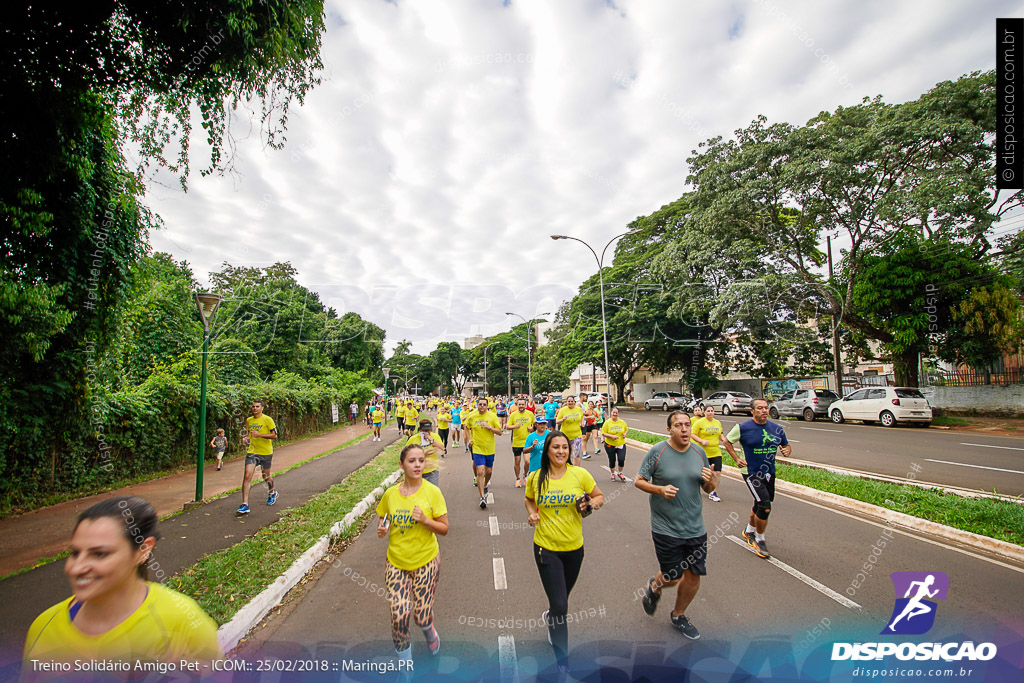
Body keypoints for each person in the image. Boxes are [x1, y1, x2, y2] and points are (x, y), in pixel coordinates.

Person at [23, 496, 221, 677]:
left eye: (99, 554)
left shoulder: (183, 622)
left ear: (143, 550)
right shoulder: (43, 627)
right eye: (75, 553)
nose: (76, 568)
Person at [524, 431, 604, 673]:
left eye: (565, 447)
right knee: (561, 605)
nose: (561, 451)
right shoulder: (536, 477)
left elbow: (599, 496)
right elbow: (529, 499)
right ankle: (562, 663)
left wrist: (592, 504)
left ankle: (552, 617)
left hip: (574, 549)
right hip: (545, 548)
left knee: (561, 601)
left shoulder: (580, 474)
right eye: (556, 447)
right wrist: (532, 513)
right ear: (547, 451)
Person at [634, 411, 717, 640]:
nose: (684, 429)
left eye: (687, 425)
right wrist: (660, 489)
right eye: (678, 425)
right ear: (669, 430)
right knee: (673, 575)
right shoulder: (657, 452)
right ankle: (655, 587)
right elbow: (639, 481)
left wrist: (712, 481)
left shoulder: (699, 452)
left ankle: (678, 615)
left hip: (695, 527)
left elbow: (708, 489)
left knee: (693, 576)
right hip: (665, 526)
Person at [376, 444, 448, 665]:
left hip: (426, 561)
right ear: (401, 465)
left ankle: (429, 632)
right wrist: (382, 528)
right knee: (399, 617)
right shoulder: (390, 495)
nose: (417, 465)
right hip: (396, 563)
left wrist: (426, 520)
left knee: (421, 616)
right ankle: (405, 669)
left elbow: (444, 528)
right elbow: (385, 517)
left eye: (421, 461)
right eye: (412, 461)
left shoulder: (432, 492)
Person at [723, 398, 791, 559]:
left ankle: (749, 531)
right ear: (752, 411)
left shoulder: (776, 428)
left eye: (766, 408)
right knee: (764, 506)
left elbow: (785, 445)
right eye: (760, 408)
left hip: (769, 472)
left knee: (759, 502)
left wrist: (787, 450)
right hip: (751, 472)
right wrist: (736, 459)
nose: (764, 411)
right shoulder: (742, 428)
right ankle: (760, 540)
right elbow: (727, 442)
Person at [238, 400, 277, 514]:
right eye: (253, 407)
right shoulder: (249, 420)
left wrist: (260, 435)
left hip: (265, 452)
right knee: (247, 476)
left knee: (266, 477)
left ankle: (272, 492)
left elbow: (275, 435)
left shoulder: (267, 419)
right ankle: (245, 504)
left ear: (262, 408)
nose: (254, 408)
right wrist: (246, 438)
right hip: (252, 452)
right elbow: (249, 433)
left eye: (257, 406)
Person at [463, 397, 504, 509]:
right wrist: (469, 439)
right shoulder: (472, 416)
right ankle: (482, 497)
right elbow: (466, 426)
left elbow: (500, 432)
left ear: (487, 406)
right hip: (477, 447)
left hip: (489, 448)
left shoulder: (492, 416)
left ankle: (485, 485)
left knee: (489, 471)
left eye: (484, 404)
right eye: (480, 404)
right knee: (480, 472)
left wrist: (489, 428)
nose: (482, 406)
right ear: (477, 405)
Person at [691, 405, 725, 502]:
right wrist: (701, 441)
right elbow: (692, 434)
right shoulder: (699, 422)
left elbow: (720, 435)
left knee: (717, 473)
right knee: (701, 473)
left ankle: (713, 492)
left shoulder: (717, 422)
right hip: (703, 452)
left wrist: (725, 441)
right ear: (704, 412)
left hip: (715, 451)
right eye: (708, 411)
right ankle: (695, 488)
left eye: (712, 411)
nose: (710, 412)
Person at [504, 397, 536, 488]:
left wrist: (532, 429)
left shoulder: (530, 414)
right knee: (517, 461)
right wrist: (514, 426)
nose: (521, 406)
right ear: (517, 405)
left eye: (523, 404)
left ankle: (525, 475)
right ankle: (518, 478)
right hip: (517, 442)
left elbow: (535, 426)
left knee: (527, 461)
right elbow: (507, 427)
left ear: (525, 405)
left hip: (527, 442)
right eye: (519, 404)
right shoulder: (513, 415)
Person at [406, 419, 444, 486]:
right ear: (420, 429)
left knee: (432, 492)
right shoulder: (413, 439)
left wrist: (431, 440)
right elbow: (405, 454)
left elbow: (442, 448)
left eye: (428, 430)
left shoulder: (435, 437)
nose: (426, 432)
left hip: (432, 470)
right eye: (424, 430)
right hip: (417, 471)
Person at [600, 407, 629, 481]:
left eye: (616, 413)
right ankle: (613, 473)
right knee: (612, 459)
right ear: (611, 413)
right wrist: (611, 436)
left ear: (618, 414)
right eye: (613, 413)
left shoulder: (622, 422)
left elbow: (626, 430)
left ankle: (620, 472)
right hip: (610, 444)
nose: (615, 414)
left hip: (620, 444)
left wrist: (625, 434)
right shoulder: (607, 422)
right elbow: (603, 433)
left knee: (621, 459)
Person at [556, 395, 585, 466]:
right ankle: (565, 468)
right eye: (568, 401)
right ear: (566, 402)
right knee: (565, 454)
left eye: (571, 401)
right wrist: (562, 419)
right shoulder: (563, 410)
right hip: (565, 436)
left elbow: (581, 417)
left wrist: (582, 423)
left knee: (576, 454)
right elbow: (557, 421)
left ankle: (576, 470)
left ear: (574, 402)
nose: (570, 403)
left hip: (577, 435)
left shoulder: (579, 409)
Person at [578, 393, 594, 457]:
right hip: (579, 424)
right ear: (581, 397)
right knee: (578, 439)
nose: (586, 398)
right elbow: (579, 414)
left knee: (584, 438)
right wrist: (586, 413)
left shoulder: (583, 404)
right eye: (585, 397)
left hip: (584, 423)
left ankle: (584, 453)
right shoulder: (578, 404)